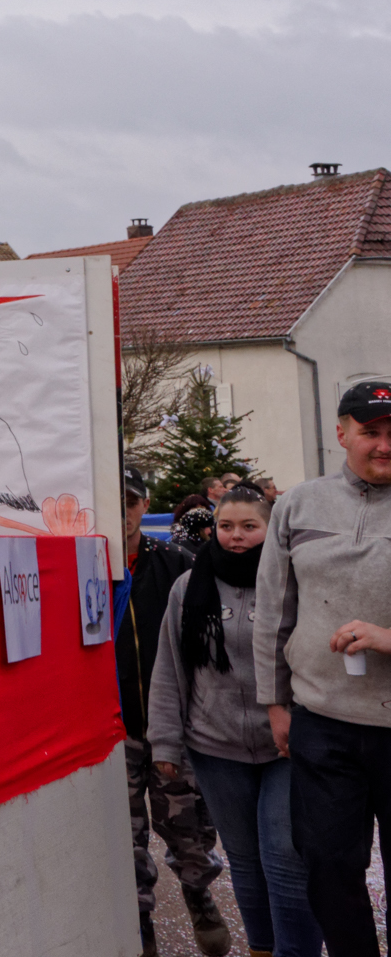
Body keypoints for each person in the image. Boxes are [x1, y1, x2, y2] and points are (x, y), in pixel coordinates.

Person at [151, 486, 323, 956]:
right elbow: (170, 667)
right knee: (245, 862)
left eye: (250, 526)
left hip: (287, 743)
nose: (236, 537)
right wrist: (164, 741)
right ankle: (262, 949)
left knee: (285, 859)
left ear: (270, 530)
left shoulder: (294, 582)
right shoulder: (189, 587)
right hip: (216, 747)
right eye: (227, 526)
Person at [256, 380, 391, 956]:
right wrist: (276, 701)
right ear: (342, 434)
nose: (385, 445)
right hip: (323, 722)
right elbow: (274, 611)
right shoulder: (298, 504)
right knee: (329, 868)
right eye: (371, 433)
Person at [119, 467, 231, 957]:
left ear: (144, 506)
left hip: (170, 726)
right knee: (125, 838)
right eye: (112, 500)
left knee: (187, 825)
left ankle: (198, 892)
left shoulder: (176, 563)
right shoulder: (82, 569)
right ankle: (138, 919)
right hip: (112, 733)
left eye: (129, 501)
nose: (121, 512)